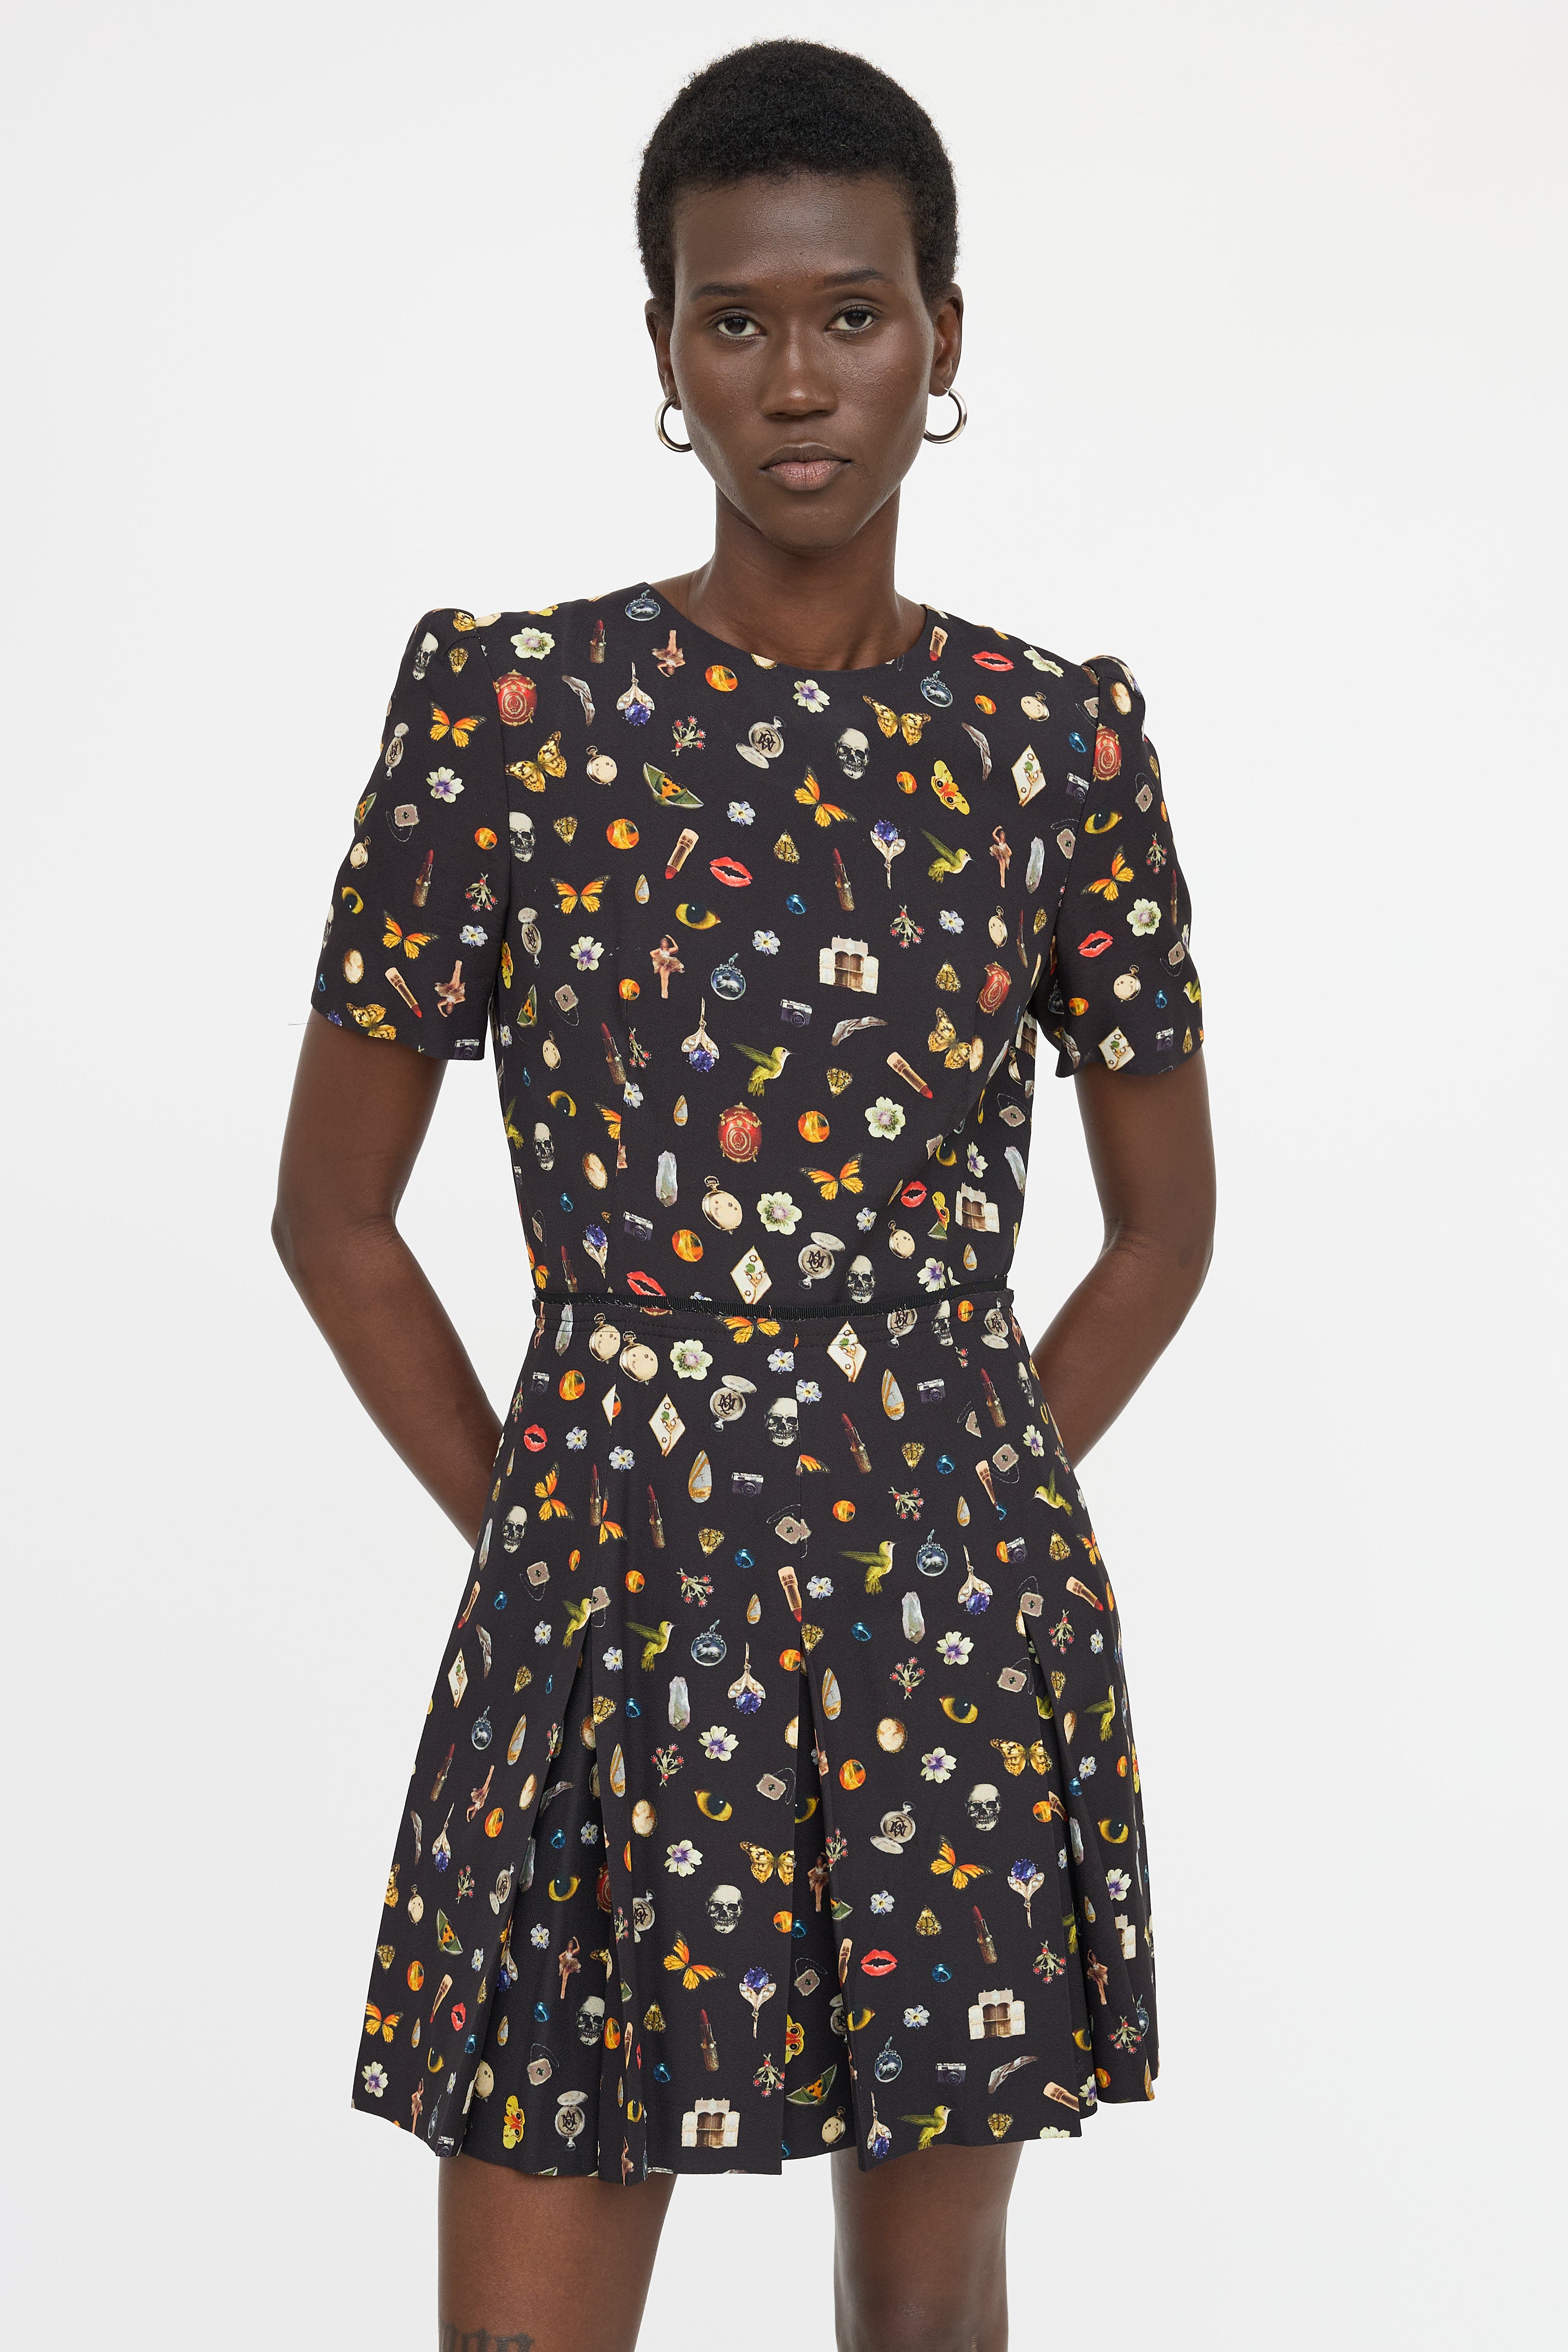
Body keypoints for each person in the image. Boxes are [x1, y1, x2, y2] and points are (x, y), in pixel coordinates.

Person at [274, 37, 1215, 2352]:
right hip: (600, 1620)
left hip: (949, 1635)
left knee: (926, 2316)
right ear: (666, 351)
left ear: (945, 336)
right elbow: (332, 1212)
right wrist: (555, 1517)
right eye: (736, 320)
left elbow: (1164, 1226)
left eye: (855, 314)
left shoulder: (1054, 744)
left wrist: (956, 1495)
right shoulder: (509, 717)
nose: (799, 380)